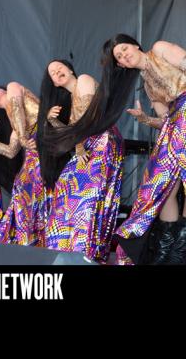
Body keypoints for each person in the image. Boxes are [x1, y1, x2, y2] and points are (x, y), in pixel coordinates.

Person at [110, 35, 186, 265]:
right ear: (122, 65)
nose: (124, 55)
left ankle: (180, 255)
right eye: (119, 57)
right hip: (175, 126)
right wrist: (145, 119)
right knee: (163, 187)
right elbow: (165, 119)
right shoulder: (147, 84)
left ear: (135, 45)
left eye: (124, 49)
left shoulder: (159, 49)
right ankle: (165, 254)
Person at [41, 58, 124, 264]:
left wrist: (79, 147)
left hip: (102, 141)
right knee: (64, 190)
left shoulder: (84, 80)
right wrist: (52, 120)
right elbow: (72, 132)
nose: (57, 72)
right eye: (52, 73)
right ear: (55, 83)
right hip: (86, 145)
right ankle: (65, 248)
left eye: (59, 68)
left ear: (70, 69)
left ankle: (87, 251)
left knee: (89, 197)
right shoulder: (71, 99)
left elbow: (87, 121)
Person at [0, 82, 50, 245]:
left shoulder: (13, 88)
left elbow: (18, 109)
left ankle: (40, 234)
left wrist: (23, 138)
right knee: (20, 186)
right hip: (35, 152)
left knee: (36, 185)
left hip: (47, 141)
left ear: (2, 89)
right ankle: (27, 236)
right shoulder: (11, 119)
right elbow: (11, 151)